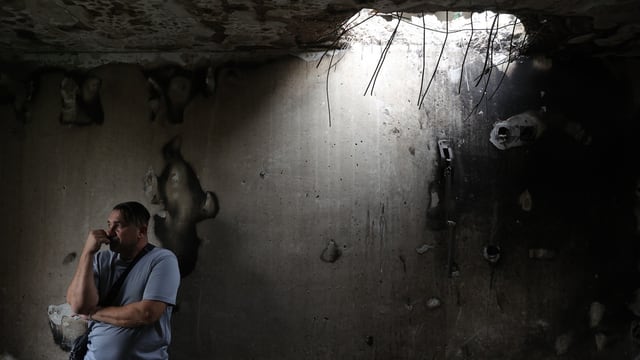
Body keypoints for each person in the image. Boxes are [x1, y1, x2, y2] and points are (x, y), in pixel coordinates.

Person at [66, 201, 181, 359]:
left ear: (141, 231)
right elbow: (79, 306)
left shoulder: (162, 259)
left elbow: (147, 313)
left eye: (118, 226)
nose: (110, 232)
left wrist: (93, 313)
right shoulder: (100, 259)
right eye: (109, 224)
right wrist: (87, 253)